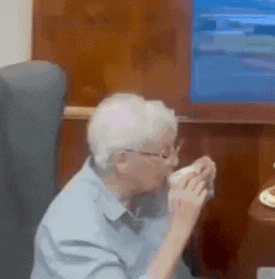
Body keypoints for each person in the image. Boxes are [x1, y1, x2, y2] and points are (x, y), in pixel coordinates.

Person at [31, 93, 217, 279]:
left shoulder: (138, 185)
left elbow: (176, 202)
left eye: (174, 149)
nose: (175, 162)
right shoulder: (73, 234)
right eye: (164, 154)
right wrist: (179, 230)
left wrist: (200, 182)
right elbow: (178, 220)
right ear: (122, 160)